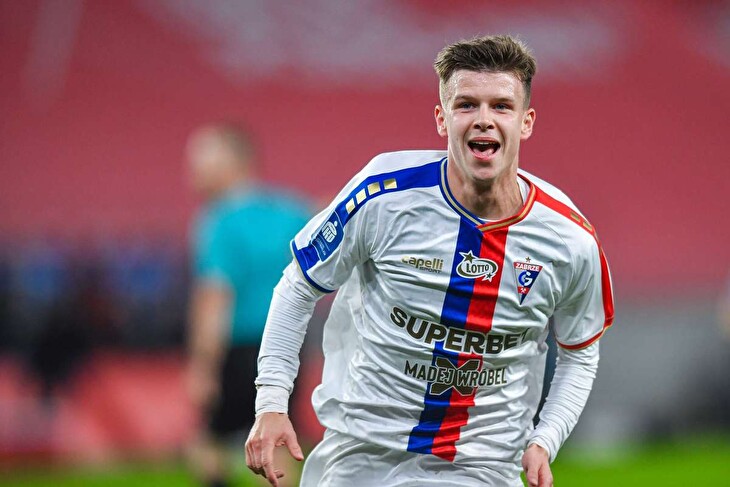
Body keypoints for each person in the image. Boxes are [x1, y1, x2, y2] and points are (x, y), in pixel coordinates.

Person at [246, 35, 615, 487]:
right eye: (466, 105)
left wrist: (545, 439)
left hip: (481, 465)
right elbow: (298, 285)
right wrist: (271, 401)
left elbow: (580, 353)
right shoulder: (383, 195)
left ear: (526, 122)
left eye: (501, 106)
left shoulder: (569, 239)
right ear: (442, 118)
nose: (484, 120)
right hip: (361, 454)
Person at [185, 123, 311, 487]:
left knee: (206, 444)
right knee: (279, 443)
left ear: (233, 162)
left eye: (202, 157)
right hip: (289, 344)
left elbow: (214, 296)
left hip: (238, 347)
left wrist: (202, 364)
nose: (193, 168)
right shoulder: (292, 211)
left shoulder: (220, 221)